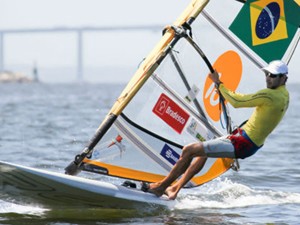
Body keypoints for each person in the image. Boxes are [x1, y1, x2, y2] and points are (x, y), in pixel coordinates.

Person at [144, 60, 290, 200]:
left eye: (273, 75)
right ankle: (174, 189)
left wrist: (218, 83)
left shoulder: (270, 95)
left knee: (189, 150)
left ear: (283, 78)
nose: (268, 78)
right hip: (246, 141)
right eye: (267, 74)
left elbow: (237, 101)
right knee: (202, 152)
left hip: (242, 142)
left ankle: (161, 187)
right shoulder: (285, 95)